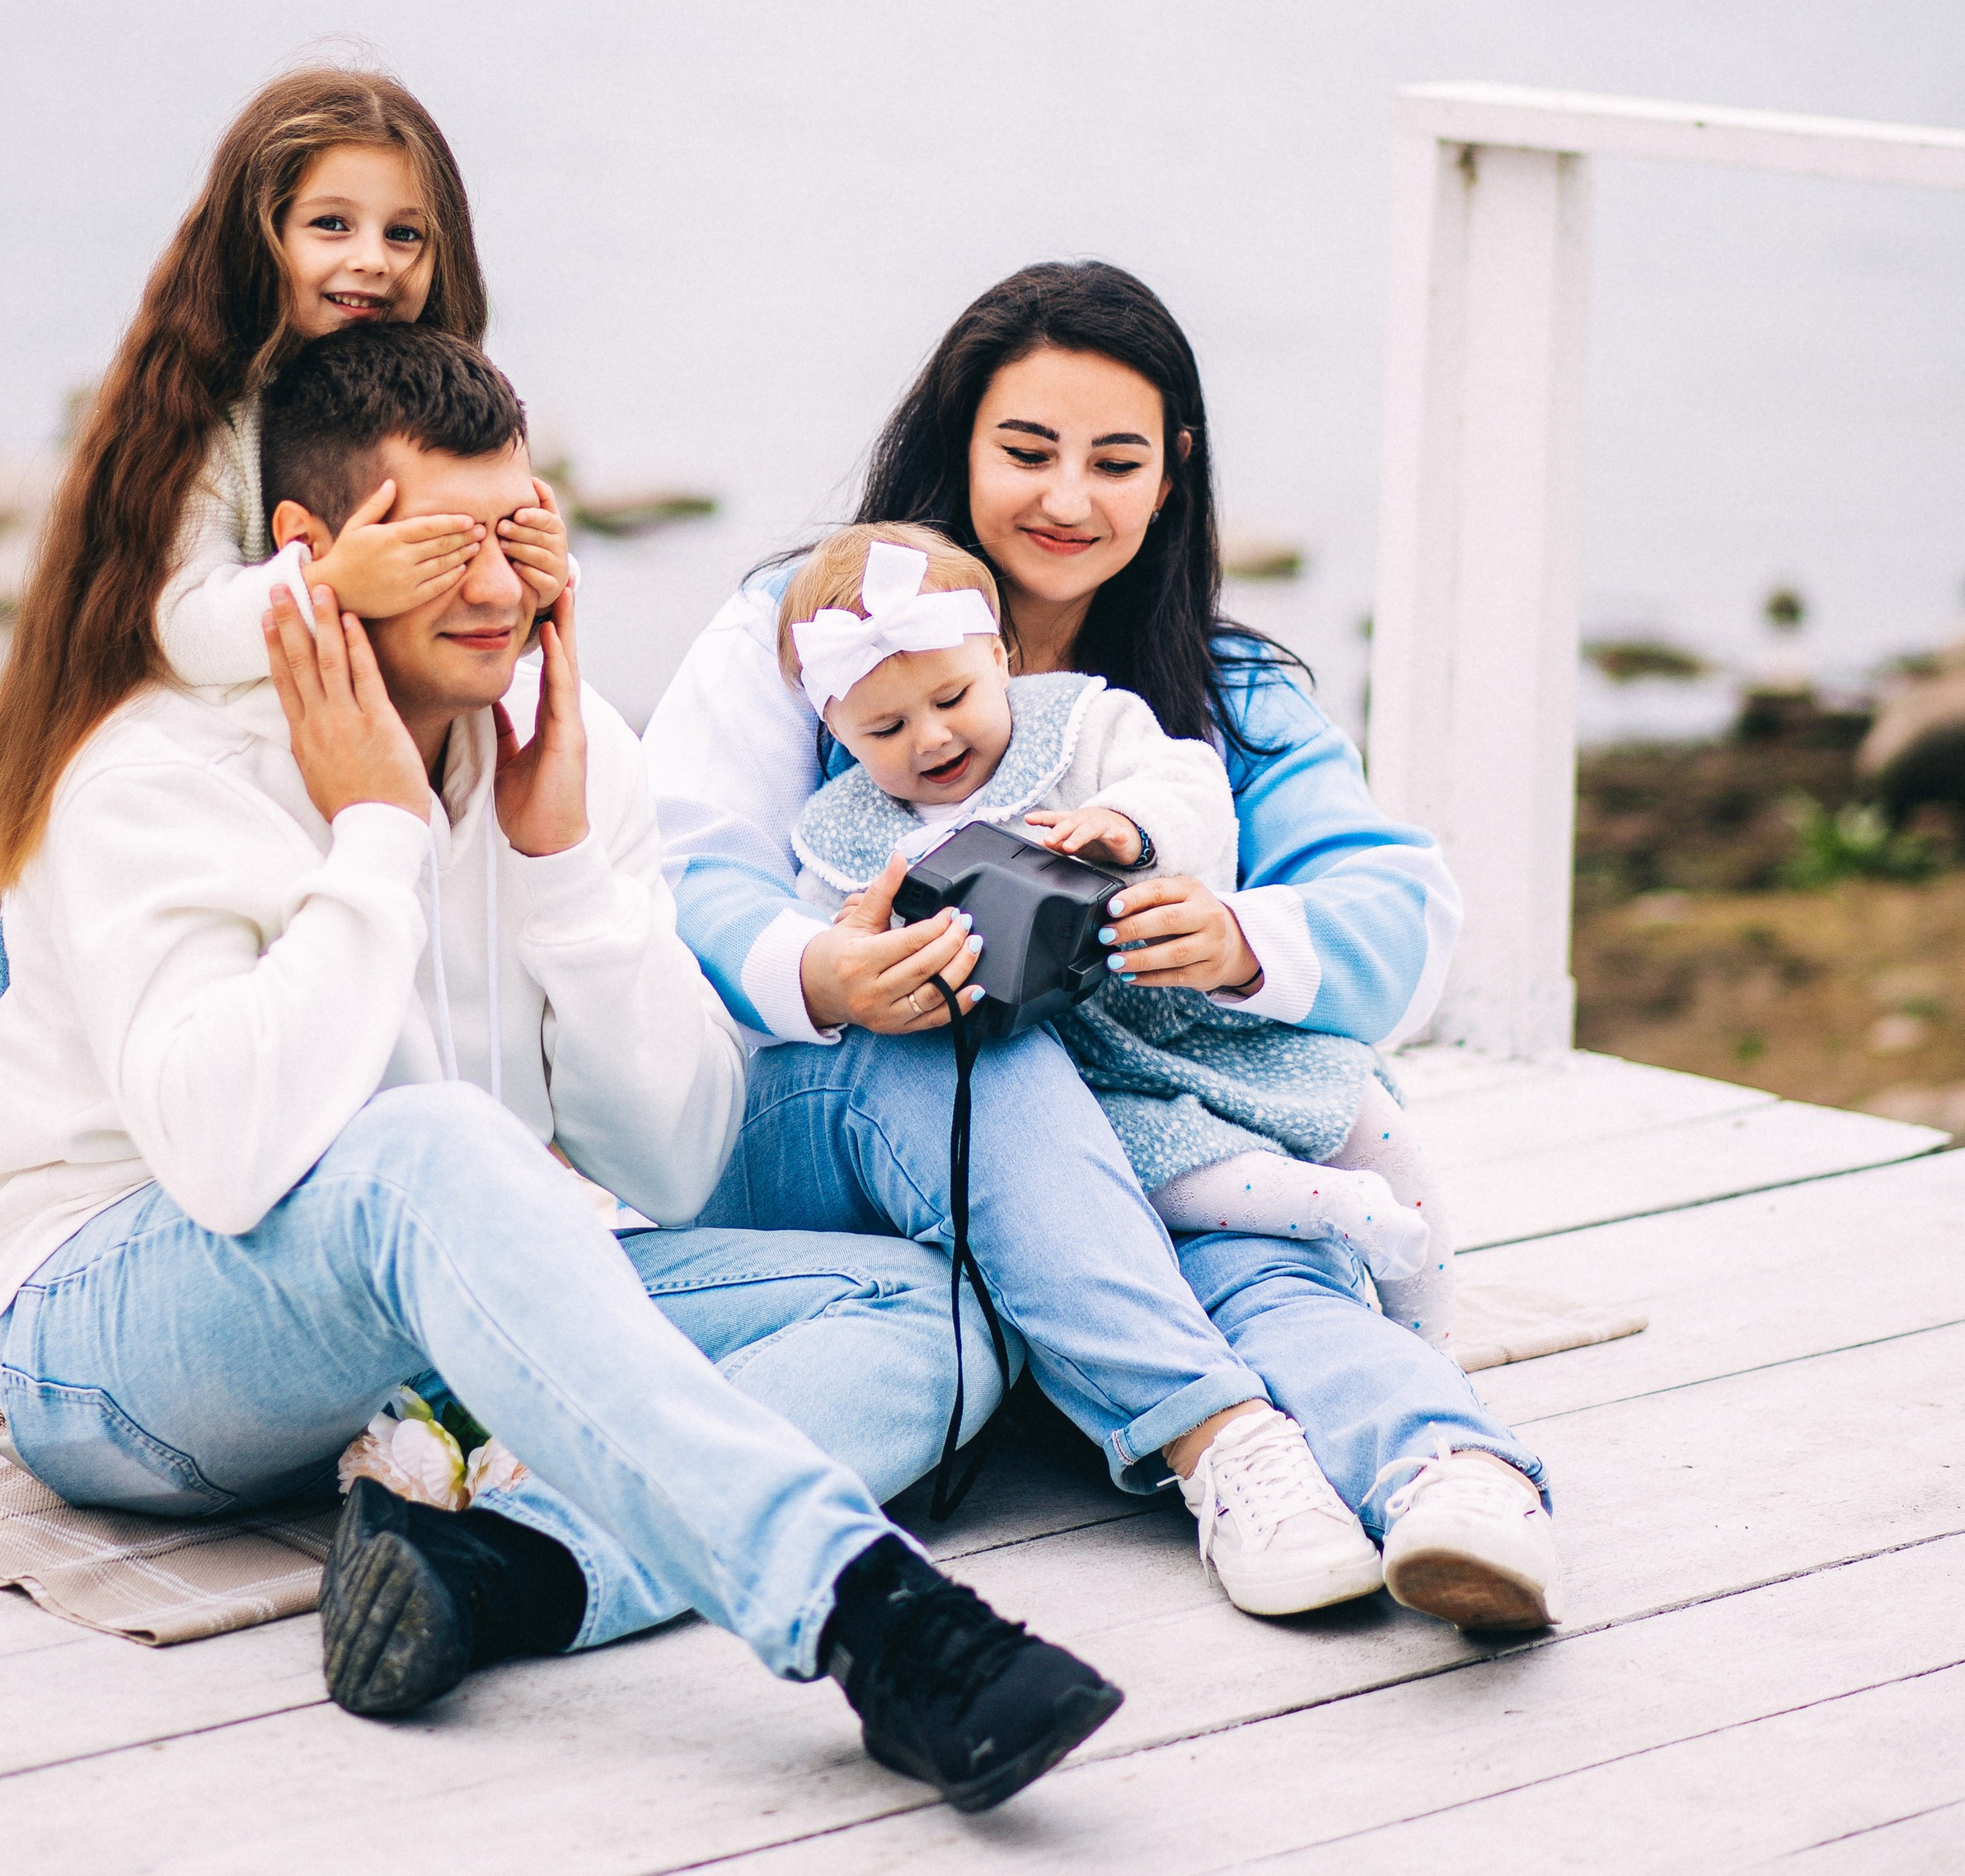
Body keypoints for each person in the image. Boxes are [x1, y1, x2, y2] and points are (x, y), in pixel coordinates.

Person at [0, 323, 1122, 1811]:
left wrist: (558, 864)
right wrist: (374, 835)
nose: (500, 591)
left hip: (428, 1312)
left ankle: (505, 1566)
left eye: (517, 534)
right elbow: (231, 1160)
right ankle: (865, 1614)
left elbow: (677, 1164)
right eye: (445, 548)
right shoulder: (155, 772)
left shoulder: (565, 752)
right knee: (436, 1148)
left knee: (940, 1325)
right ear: (311, 552)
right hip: (117, 1337)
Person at [645, 261, 1559, 1635]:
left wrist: (1240, 938)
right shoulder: (821, 628)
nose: (1066, 499)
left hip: (1111, 1156)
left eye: (1115, 460)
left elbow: (1399, 908)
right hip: (825, 1114)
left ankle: (1456, 1469)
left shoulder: (1212, 692)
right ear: (958, 443)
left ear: (1171, 476)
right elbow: (674, 877)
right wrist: (825, 971)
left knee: (1253, 1260)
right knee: (986, 1047)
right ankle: (1223, 1448)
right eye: (1025, 450)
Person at [777, 523, 1450, 1335]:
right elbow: (831, 962)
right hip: (1064, 1070)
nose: (932, 737)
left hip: (1181, 1001)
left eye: (952, 698)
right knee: (1141, 1170)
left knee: (1366, 1115)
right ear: (837, 733)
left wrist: (1126, 826)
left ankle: (1431, 1334)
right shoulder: (847, 838)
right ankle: (1316, 1205)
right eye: (883, 730)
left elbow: (1192, 784)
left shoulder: (1083, 725)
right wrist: (860, 943)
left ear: (998, 657)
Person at [0, 63, 571, 888]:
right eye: (331, 225)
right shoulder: (197, 423)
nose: (372, 260)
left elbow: (473, 617)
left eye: (404, 235)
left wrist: (539, 567)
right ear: (259, 236)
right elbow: (190, 626)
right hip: (158, 837)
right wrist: (332, 582)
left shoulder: (428, 405)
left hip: (313, 806)